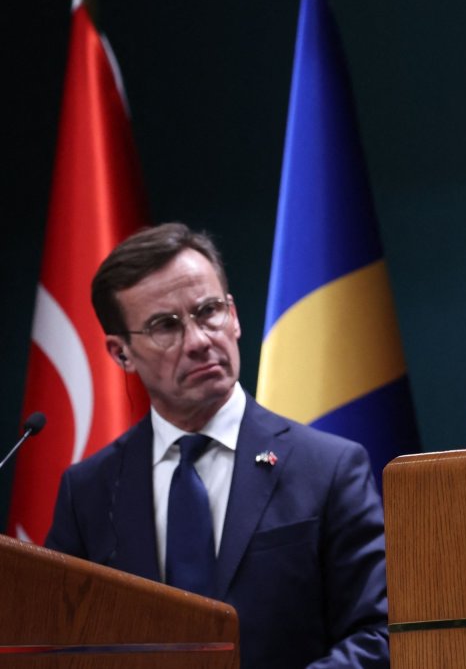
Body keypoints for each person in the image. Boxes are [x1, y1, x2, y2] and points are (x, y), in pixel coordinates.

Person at [45, 224, 390, 668]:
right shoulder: (87, 491)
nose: (199, 341)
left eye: (209, 312)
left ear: (235, 315)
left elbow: (378, 634)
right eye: (165, 326)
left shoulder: (329, 468)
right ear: (121, 353)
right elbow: (55, 647)